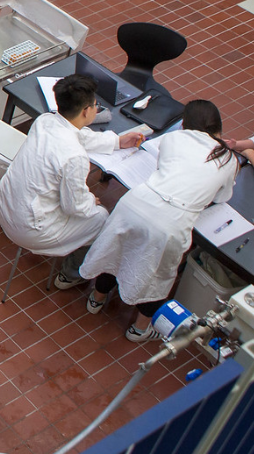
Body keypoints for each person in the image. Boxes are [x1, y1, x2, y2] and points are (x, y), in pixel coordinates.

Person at [80, 100, 239, 340]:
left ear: (184, 124)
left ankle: (96, 300)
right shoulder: (228, 159)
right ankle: (140, 328)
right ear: (218, 128)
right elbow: (222, 196)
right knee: (157, 275)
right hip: (171, 222)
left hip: (136, 204)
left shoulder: (173, 139)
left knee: (116, 251)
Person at [0, 74, 145, 284]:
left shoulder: (45, 120)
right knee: (101, 218)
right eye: (95, 105)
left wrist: (117, 142)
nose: (95, 109)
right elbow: (75, 207)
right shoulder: (75, 157)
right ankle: (72, 275)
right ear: (86, 111)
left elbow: (78, 136)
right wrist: (91, 201)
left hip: (4, 204)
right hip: (27, 228)